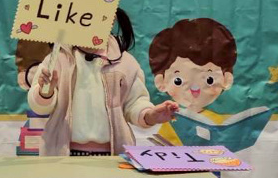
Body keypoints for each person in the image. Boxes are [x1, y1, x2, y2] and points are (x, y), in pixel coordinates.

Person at [28, 8, 179, 156]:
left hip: (113, 156)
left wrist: (151, 115)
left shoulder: (126, 63)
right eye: (86, 17)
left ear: (112, 20)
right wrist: (45, 93)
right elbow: (39, 107)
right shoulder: (57, 60)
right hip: (62, 155)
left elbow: (135, 104)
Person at [148, 18, 236, 144]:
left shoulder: (224, 123)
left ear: (227, 79)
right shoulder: (168, 122)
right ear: (161, 82)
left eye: (209, 79)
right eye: (178, 81)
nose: (195, 88)